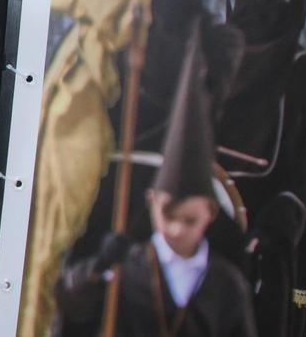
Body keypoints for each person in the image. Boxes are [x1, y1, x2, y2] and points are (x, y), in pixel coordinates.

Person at [54, 33, 257, 336]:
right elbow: (73, 304)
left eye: (189, 220)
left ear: (210, 212)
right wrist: (97, 268)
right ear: (151, 201)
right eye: (168, 215)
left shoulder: (226, 284)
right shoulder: (126, 269)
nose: (176, 229)